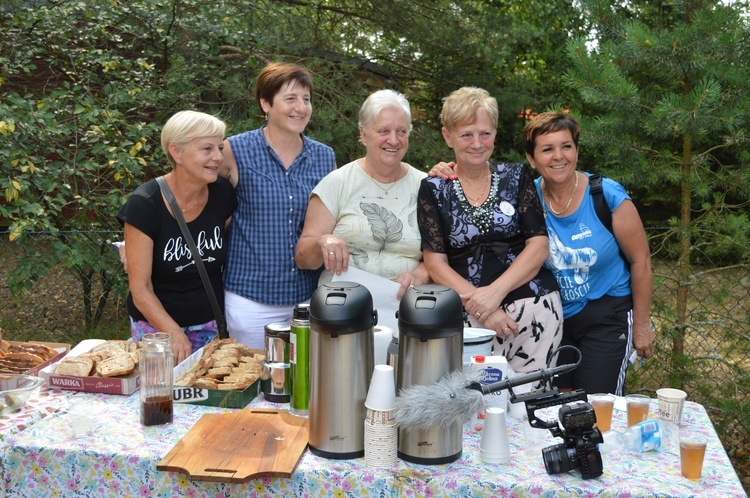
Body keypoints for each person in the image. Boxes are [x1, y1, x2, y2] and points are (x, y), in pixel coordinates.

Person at [418, 87, 562, 375]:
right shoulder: (433, 188)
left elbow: (538, 246)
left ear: (495, 133)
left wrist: (494, 294)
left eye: (485, 133)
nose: (477, 143)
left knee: (529, 407)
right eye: (466, 134)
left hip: (535, 311)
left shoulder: (516, 176)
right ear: (448, 136)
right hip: (468, 321)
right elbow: (435, 262)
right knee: (471, 408)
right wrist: (481, 307)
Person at [521, 111, 653, 395]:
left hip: (607, 315)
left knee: (596, 409)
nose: (559, 156)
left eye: (566, 146)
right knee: (555, 407)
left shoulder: (605, 195)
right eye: (547, 149)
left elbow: (640, 261)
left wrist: (642, 326)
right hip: (553, 320)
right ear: (532, 159)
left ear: (576, 151)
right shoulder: (526, 199)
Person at [219, 62, 336, 349]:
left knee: (304, 387)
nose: (301, 107)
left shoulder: (325, 157)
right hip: (249, 301)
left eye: (306, 99)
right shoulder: (235, 150)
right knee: (250, 382)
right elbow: (200, 207)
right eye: (291, 98)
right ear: (265, 103)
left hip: (308, 300)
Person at [117, 111, 237, 364]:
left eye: (220, 147)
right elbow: (140, 288)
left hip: (211, 329)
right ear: (177, 152)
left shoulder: (222, 195)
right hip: (158, 333)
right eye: (207, 148)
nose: (218, 157)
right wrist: (173, 332)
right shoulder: (145, 205)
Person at [295, 89, 429, 302]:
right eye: (384, 131)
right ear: (364, 135)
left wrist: (420, 274)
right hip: (343, 308)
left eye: (401, 131)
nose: (393, 140)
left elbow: (444, 254)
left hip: (408, 308)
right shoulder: (337, 182)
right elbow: (303, 258)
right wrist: (323, 241)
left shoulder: (426, 186)